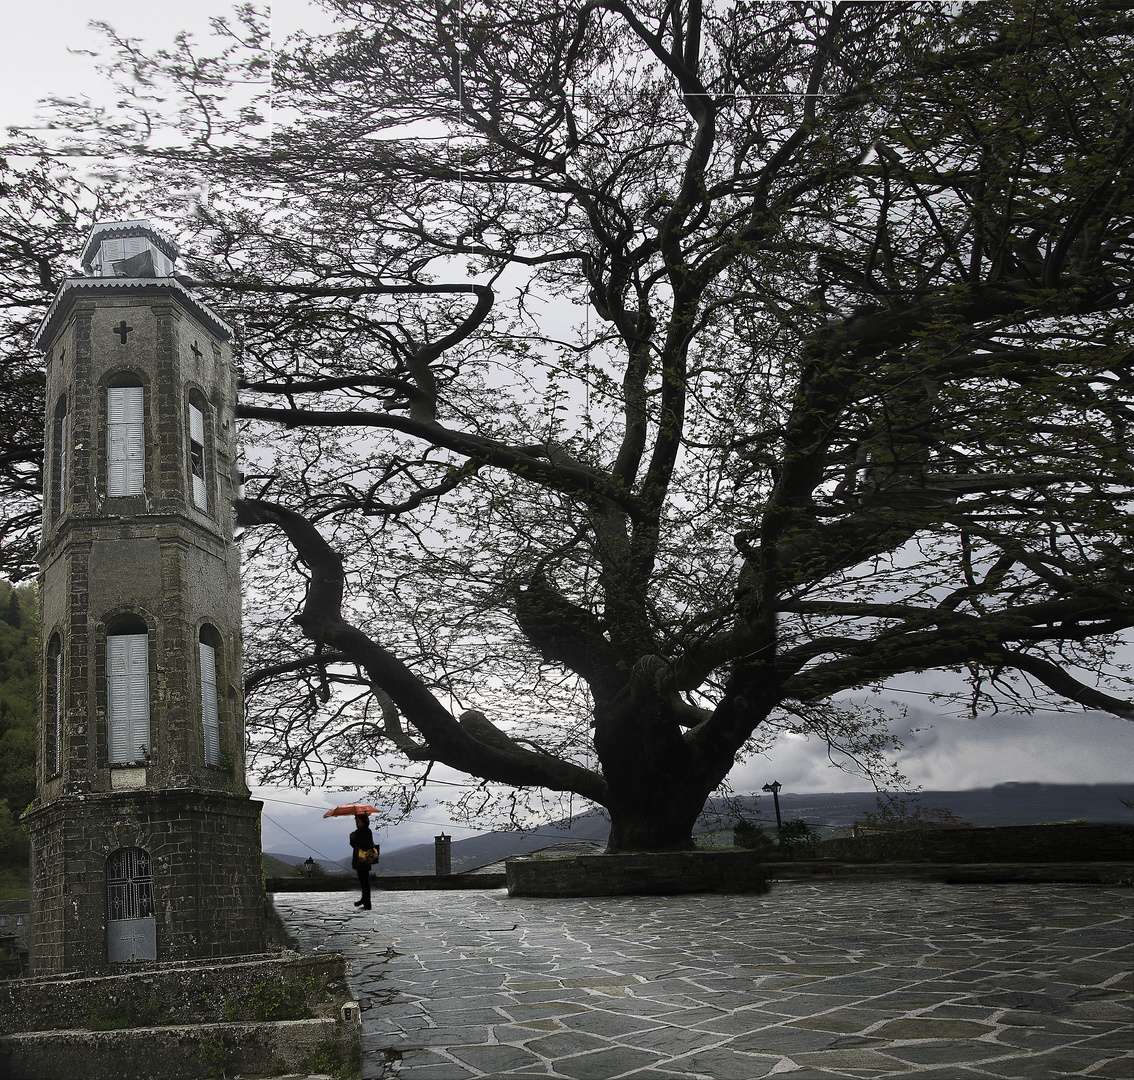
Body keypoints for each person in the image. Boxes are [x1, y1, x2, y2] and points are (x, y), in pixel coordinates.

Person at [349, 814, 375, 910]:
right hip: (358, 859)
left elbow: (364, 845)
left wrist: (354, 838)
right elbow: (354, 845)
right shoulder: (358, 831)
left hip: (364, 859)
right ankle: (364, 899)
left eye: (358, 821)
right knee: (362, 881)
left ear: (364, 822)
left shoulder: (367, 831)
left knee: (365, 882)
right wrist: (352, 839)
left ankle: (367, 902)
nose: (356, 823)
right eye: (356, 822)